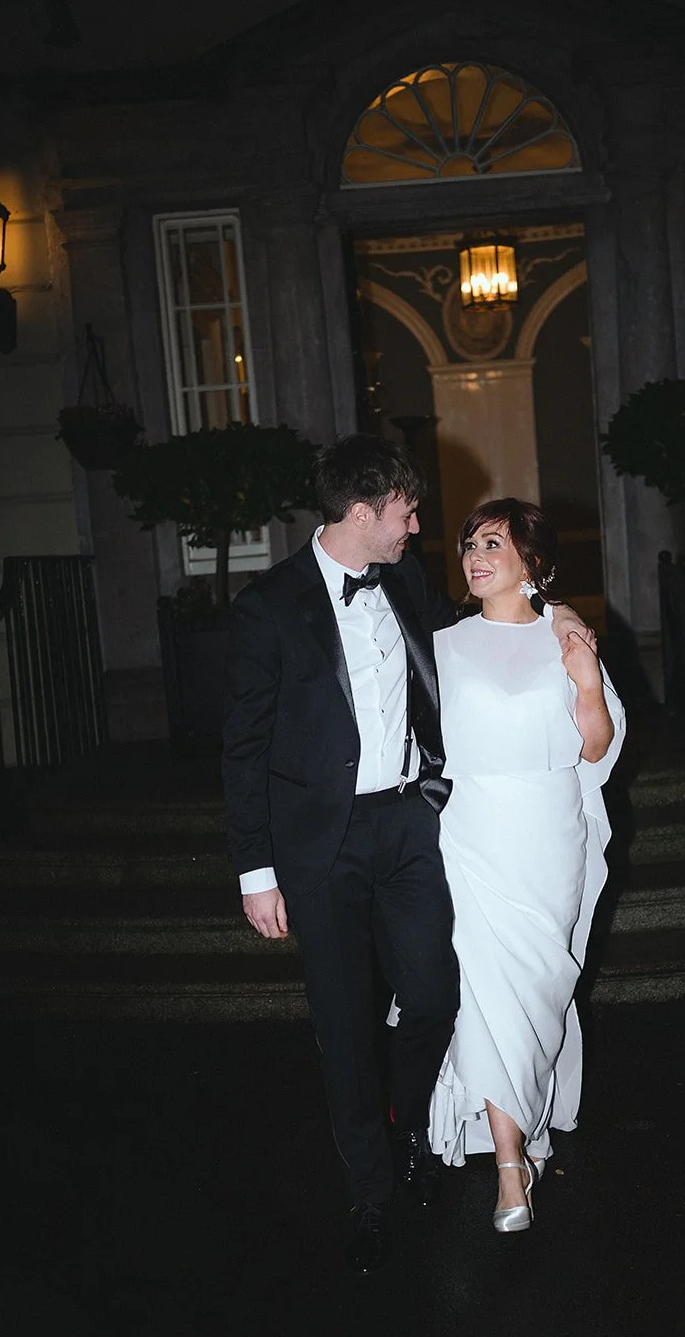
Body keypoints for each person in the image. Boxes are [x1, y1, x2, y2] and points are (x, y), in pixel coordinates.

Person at [222, 437, 592, 1274]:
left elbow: (473, 641)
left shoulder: (405, 579)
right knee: (346, 1024)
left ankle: (418, 1127)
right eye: (405, 511)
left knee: (430, 998)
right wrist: (256, 872)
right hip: (319, 848)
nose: (417, 524)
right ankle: (370, 1193)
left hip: (410, 829)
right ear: (364, 512)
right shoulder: (269, 608)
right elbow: (241, 749)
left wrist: (554, 613)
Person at [427, 498, 625, 1231]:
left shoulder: (561, 636)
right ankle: (510, 1165)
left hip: (548, 833)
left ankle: (525, 1130)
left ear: (533, 564)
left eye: (492, 544)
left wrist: (583, 677)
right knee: (485, 994)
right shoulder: (442, 645)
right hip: (470, 832)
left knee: (539, 993)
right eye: (468, 544)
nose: (474, 557)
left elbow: (596, 747)